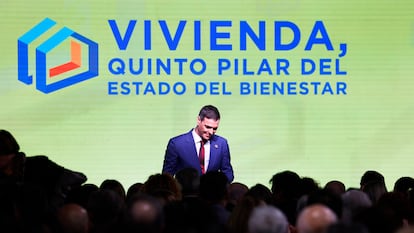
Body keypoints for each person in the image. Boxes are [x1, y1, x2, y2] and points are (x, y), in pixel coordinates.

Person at [162, 105, 234, 182]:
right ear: (199, 120)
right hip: (186, 193)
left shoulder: (221, 144)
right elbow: (167, 176)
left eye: (215, 128)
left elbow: (228, 173)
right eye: (207, 127)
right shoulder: (177, 144)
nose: (211, 132)